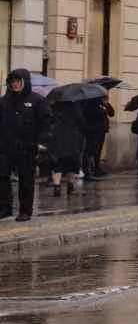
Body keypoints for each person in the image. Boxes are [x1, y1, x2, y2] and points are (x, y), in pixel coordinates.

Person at [0, 68, 49, 220]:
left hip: (27, 147)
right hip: (5, 146)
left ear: (25, 82)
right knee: (2, 177)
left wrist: (42, 142)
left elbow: (46, 122)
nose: (15, 85)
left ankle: (25, 210)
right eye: (12, 82)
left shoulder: (37, 100)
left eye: (18, 81)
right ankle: (4, 208)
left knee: (25, 179)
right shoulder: (4, 101)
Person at [48, 97, 84, 197]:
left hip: (57, 139)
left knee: (57, 163)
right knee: (71, 163)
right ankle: (70, 186)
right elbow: (81, 122)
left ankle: (57, 186)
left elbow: (48, 121)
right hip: (72, 139)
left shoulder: (52, 108)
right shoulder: (74, 108)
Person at [82, 95, 111, 179]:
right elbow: (92, 115)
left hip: (100, 130)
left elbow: (112, 113)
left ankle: (95, 168)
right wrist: (101, 111)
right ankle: (87, 172)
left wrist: (106, 105)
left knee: (97, 150)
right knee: (89, 151)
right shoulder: (90, 105)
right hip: (92, 131)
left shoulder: (103, 104)